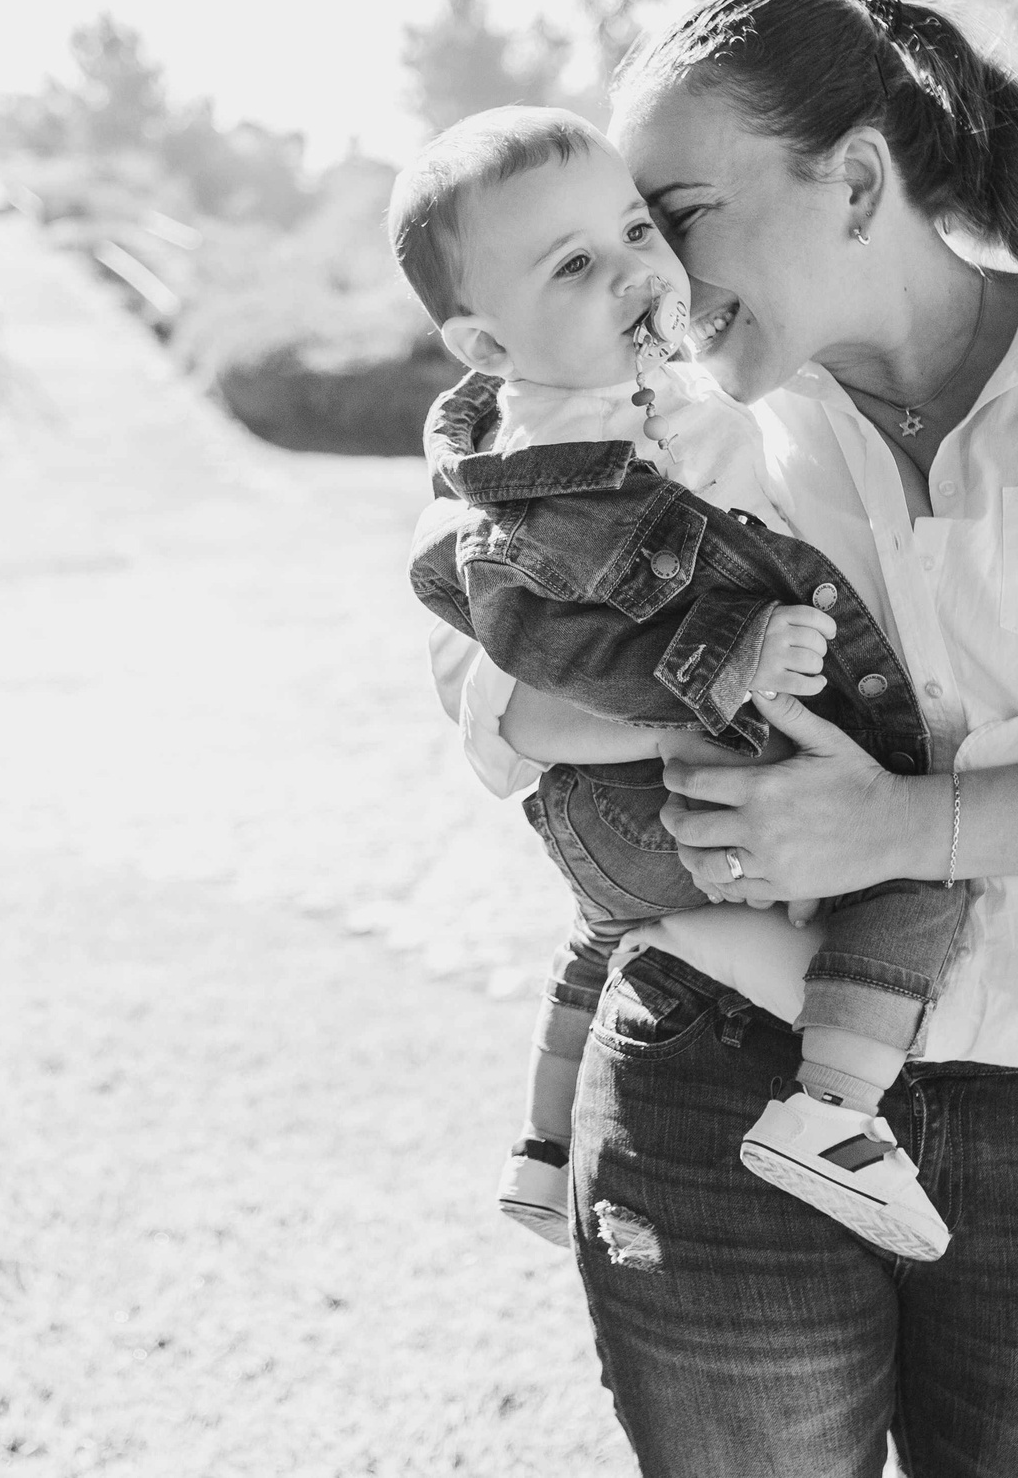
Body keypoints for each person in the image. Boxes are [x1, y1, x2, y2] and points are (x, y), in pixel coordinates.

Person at [425, 0, 1018, 1476]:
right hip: (716, 1075)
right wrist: (680, 687)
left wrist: (902, 826)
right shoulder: (666, 419)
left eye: (677, 215)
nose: (654, 273)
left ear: (854, 180)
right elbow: (490, 697)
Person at [393, 106, 974, 1261]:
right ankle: (834, 1107)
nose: (633, 273)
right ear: (487, 344)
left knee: (603, 925)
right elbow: (543, 672)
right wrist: (730, 671)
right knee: (920, 848)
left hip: (598, 824)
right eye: (572, 266)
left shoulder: (611, 406)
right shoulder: (557, 478)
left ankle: (542, 1143)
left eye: (635, 231)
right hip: (648, 792)